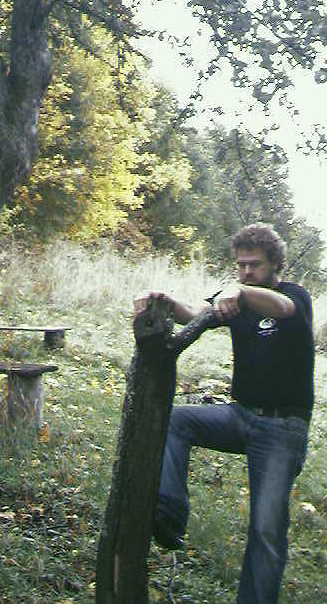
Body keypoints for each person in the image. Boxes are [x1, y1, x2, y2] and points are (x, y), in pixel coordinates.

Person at [142, 223, 314, 604]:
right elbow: (196, 315)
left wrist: (241, 291)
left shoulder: (295, 296)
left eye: (255, 265)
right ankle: (170, 512)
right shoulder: (237, 302)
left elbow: (282, 308)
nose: (246, 272)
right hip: (240, 416)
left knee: (266, 531)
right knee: (174, 420)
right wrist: (167, 302)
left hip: (282, 428)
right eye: (241, 265)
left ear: (275, 263)